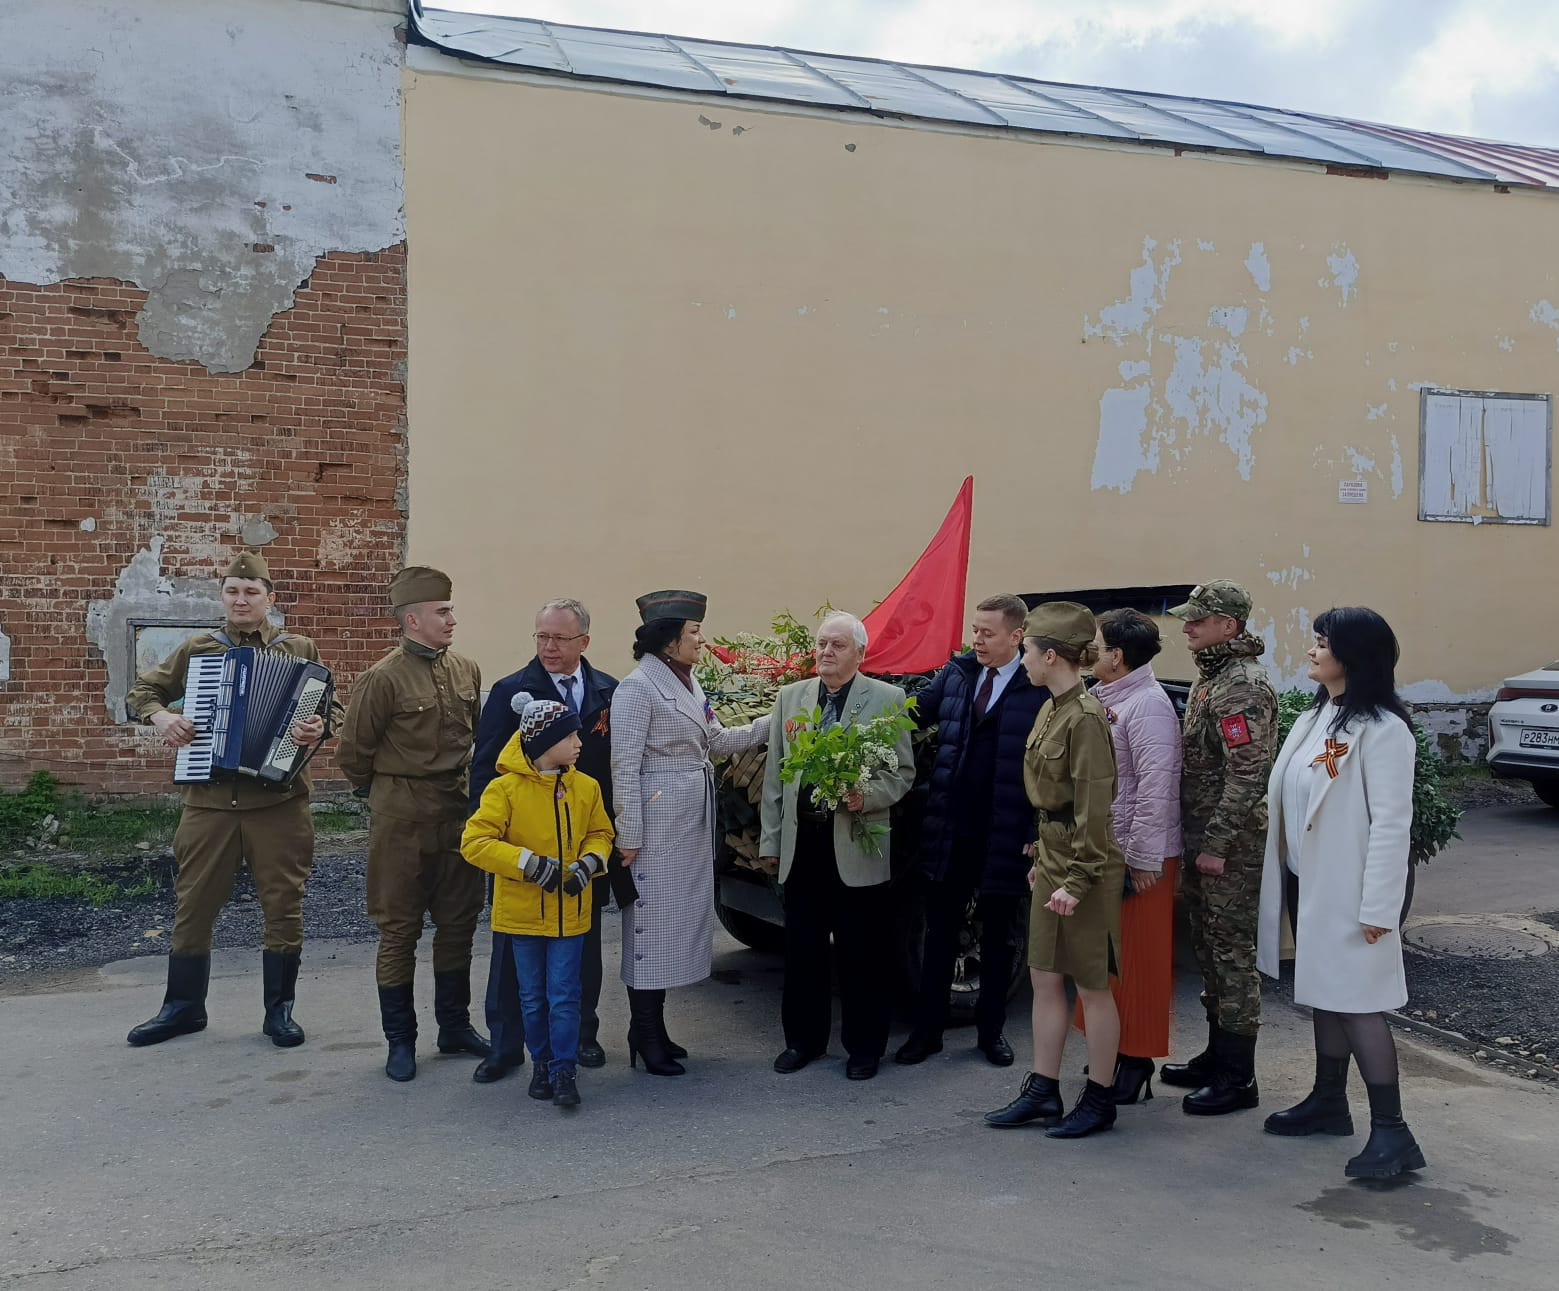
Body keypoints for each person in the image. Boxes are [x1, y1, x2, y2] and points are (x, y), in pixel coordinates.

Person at [125, 551, 340, 1049]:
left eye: (251, 592)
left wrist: (317, 727)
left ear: (269, 598)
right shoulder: (199, 648)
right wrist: (162, 718)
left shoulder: (298, 647)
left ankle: (278, 1012)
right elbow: (142, 692)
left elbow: (335, 709)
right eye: (232, 591)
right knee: (193, 904)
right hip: (210, 802)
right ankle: (182, 1008)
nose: (241, 600)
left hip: (279, 804)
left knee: (283, 904)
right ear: (222, 597)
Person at [1257, 608, 1426, 1179]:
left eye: (1322, 642)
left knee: (1358, 1003)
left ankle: (1394, 1133)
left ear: (1351, 656)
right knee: (1326, 993)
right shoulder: (1321, 717)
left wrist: (1379, 907)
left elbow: (1391, 824)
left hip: (1355, 894)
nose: (1312, 650)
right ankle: (1329, 1100)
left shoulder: (1384, 730)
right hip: (1314, 885)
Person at [337, 567, 490, 1082]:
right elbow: (353, 752)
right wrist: (381, 794)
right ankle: (400, 1041)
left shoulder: (468, 669)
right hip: (401, 819)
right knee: (399, 930)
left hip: (457, 813)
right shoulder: (382, 678)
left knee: (459, 924)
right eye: (442, 612)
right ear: (412, 619)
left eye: (450, 610)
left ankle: (454, 1027)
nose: (452, 619)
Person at [609, 590, 770, 1075]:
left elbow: (717, 741)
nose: (701, 640)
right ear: (668, 642)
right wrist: (629, 836)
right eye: (693, 633)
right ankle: (645, 1031)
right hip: (656, 823)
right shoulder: (637, 689)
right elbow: (624, 765)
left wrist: (773, 721)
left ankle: (652, 1027)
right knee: (650, 923)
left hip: (687, 818)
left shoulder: (687, 681)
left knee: (675, 920)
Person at [984, 603, 1125, 1139]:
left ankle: (1101, 1096)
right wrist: (1043, 860)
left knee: (1091, 985)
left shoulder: (1087, 718)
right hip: (1052, 856)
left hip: (1084, 862)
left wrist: (1077, 879)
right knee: (1044, 977)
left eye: (1026, 652)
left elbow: (1095, 807)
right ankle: (1043, 1090)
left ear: (1050, 655)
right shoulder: (1050, 709)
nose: (1021, 661)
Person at [760, 612, 916, 1081]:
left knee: (861, 953)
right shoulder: (791, 699)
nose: (826, 652)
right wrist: (771, 842)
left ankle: (864, 1049)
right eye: (822, 644)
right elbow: (774, 778)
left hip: (856, 845)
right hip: (803, 846)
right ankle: (802, 1042)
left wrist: (864, 796)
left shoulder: (887, 699)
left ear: (860, 654)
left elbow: (903, 772)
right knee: (803, 951)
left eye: (838, 646)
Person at [895, 594, 1048, 1069]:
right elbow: (912, 714)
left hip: (1006, 830)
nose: (977, 639)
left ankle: (991, 1032)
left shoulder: (1036, 688)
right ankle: (927, 1033)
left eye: (988, 632)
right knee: (940, 931)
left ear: (1016, 636)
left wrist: (1037, 832)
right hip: (952, 826)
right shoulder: (958, 675)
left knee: (1000, 935)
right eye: (975, 630)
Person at [469, 598, 619, 1081]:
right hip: (523, 852)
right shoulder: (511, 690)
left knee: (582, 947)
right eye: (541, 637)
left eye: (559, 638)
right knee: (513, 955)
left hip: (580, 851)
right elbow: (486, 770)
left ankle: (581, 1035)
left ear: (584, 643)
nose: (548, 647)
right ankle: (506, 1044)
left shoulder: (607, 690)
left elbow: (612, 774)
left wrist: (604, 846)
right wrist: (502, 848)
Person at [1160, 580, 1277, 1116]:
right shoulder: (1215, 677)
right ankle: (1216, 1054)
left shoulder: (1241, 686)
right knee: (1207, 945)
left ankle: (1239, 1076)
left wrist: (1218, 844)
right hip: (1202, 837)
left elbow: (1248, 772)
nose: (1187, 628)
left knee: (1231, 951)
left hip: (1227, 845)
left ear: (1228, 626)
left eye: (1198, 621)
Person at [1073, 608, 1183, 1104]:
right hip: (1107, 850)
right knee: (1106, 961)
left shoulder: (1149, 706)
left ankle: (1135, 1062)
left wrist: (1141, 860)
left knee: (1137, 961)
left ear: (1116, 657)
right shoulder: (1105, 696)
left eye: (1096, 644)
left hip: (1141, 858)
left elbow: (1156, 790)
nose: (1089, 652)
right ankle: (1110, 1049)